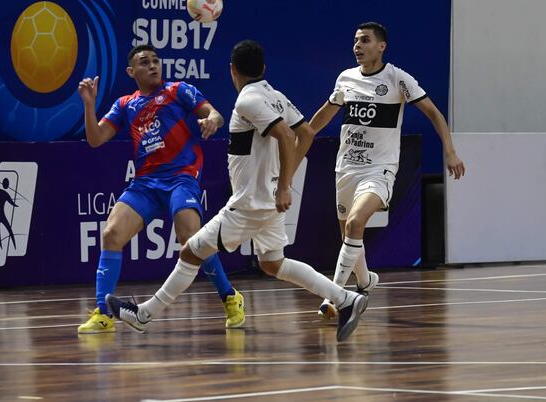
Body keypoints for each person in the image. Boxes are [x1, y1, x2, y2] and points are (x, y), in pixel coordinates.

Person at [106, 40, 369, 342]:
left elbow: (286, 135)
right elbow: (306, 133)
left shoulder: (248, 101)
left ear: (232, 70)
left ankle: (143, 315)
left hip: (250, 203)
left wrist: (283, 185)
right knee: (273, 263)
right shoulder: (275, 95)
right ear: (264, 68)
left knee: (191, 251)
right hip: (265, 199)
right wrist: (281, 182)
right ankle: (346, 299)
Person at [76, 44, 244, 333]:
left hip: (181, 177)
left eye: (156, 60)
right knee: (111, 234)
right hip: (145, 184)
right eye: (144, 62)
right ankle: (103, 314)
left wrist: (211, 121)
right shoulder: (125, 105)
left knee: (191, 239)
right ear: (132, 71)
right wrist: (89, 105)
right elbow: (95, 139)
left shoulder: (178, 90)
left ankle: (230, 297)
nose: (153, 65)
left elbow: (214, 113)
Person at [309, 22, 465, 319]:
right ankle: (366, 281)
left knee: (356, 224)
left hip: (379, 169)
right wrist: (299, 137)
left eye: (365, 40)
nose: (357, 46)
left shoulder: (397, 79)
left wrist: (450, 151)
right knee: (348, 234)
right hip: (345, 168)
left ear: (381, 46)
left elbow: (434, 113)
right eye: (355, 40)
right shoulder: (346, 79)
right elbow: (322, 117)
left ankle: (334, 296)